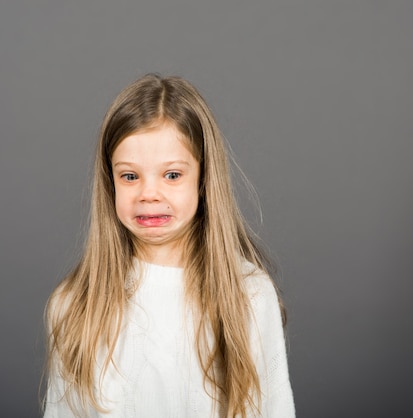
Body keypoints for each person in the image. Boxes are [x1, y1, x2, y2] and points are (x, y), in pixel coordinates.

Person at [43, 74, 295, 417]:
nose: (149, 194)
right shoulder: (74, 305)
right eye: (130, 176)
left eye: (172, 175)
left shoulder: (248, 295)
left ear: (204, 179)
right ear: (110, 181)